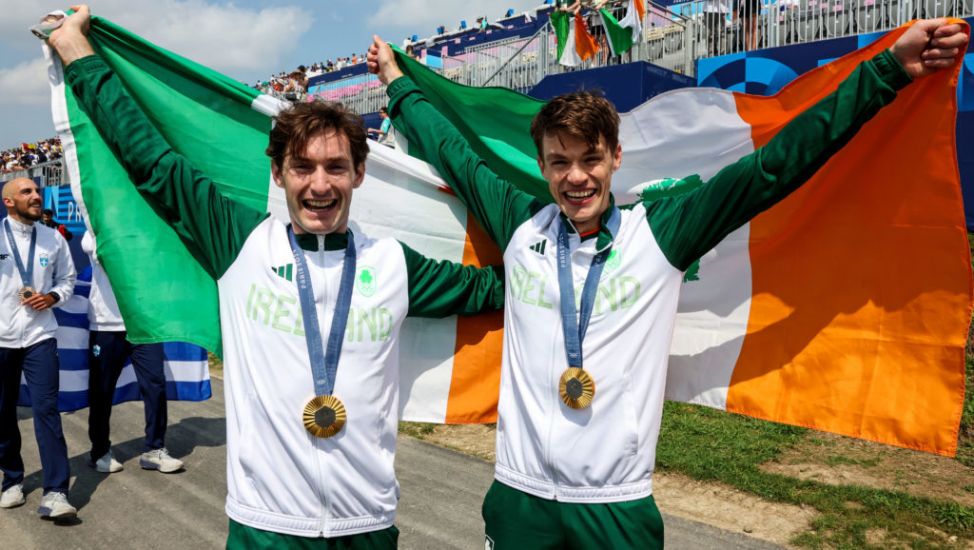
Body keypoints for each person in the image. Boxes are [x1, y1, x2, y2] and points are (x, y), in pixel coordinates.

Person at [368, 18, 967, 548]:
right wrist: (397, 82)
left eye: (590, 159)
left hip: (616, 506)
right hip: (520, 496)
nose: (575, 177)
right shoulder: (521, 226)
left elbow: (776, 166)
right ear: (544, 164)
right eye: (559, 161)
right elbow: (451, 150)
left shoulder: (661, 235)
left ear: (615, 159)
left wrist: (888, 70)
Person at [49, 7, 505, 547]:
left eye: (336, 167)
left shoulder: (391, 262)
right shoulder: (238, 242)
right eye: (302, 167)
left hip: (368, 526)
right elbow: (153, 162)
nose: (319, 185)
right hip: (266, 526)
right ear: (278, 173)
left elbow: (495, 286)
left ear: (359, 173)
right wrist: (78, 53)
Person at [0, 178, 77, 519]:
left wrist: (54, 297)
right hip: (1, 338)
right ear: (9, 202)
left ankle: (56, 492)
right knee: (3, 414)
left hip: (39, 336)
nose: (35, 196)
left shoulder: (53, 237)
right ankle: (12, 480)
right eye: (26, 192)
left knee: (46, 410)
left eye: (36, 190)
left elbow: (68, 280)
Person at [80, 231, 183, 475]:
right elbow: (102, 252)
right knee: (102, 390)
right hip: (106, 323)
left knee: (155, 384)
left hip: (143, 322)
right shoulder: (95, 230)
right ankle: (100, 451)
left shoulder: (141, 227)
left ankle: (154, 449)